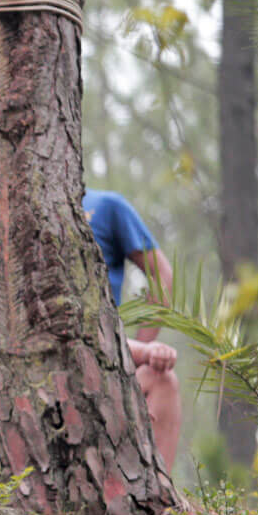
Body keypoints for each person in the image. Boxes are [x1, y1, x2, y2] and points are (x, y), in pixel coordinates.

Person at [85, 188, 181, 467]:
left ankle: (163, 503)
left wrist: (139, 350)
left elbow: (161, 275)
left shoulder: (105, 206)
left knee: (162, 380)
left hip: (104, 366)